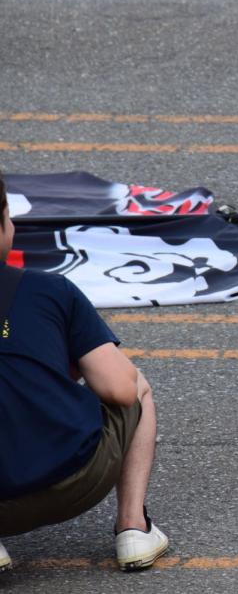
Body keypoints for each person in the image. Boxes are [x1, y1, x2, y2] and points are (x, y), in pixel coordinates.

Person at [0, 170, 169, 571]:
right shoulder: (50, 291)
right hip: (76, 481)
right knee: (136, 384)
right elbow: (119, 391)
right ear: (5, 222)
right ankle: (133, 527)